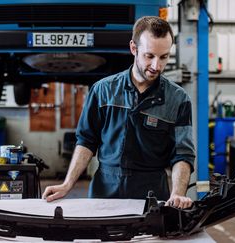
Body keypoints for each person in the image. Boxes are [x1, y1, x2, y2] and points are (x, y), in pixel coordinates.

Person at [42, 16, 195, 209]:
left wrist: (177, 194)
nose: (157, 66)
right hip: (105, 190)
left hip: (152, 193)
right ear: (133, 48)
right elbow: (87, 141)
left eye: (164, 57)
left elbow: (182, 153)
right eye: (149, 56)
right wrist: (67, 184)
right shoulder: (103, 91)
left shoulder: (178, 99)